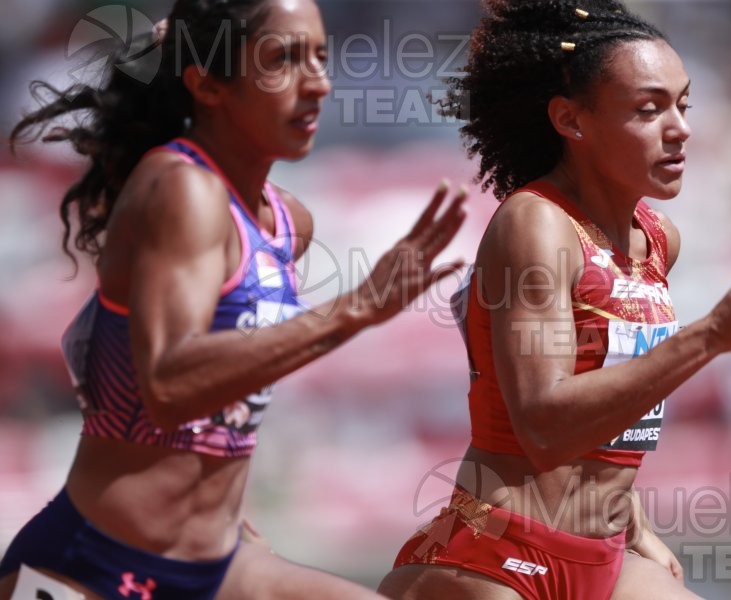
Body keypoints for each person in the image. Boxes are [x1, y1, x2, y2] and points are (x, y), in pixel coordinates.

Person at [0, 0, 467, 598]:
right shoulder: (180, 190)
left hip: (217, 565)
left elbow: (221, 395)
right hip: (96, 566)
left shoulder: (286, 222)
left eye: (321, 58)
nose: (318, 82)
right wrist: (353, 310)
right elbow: (168, 388)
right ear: (208, 85)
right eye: (283, 60)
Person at [378, 1, 731, 599]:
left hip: (604, 557)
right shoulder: (535, 225)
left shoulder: (656, 238)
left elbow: (614, 402)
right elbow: (544, 425)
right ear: (571, 120)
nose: (680, 128)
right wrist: (709, 337)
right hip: (498, 557)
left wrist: (634, 518)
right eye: (648, 110)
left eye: (683, 104)